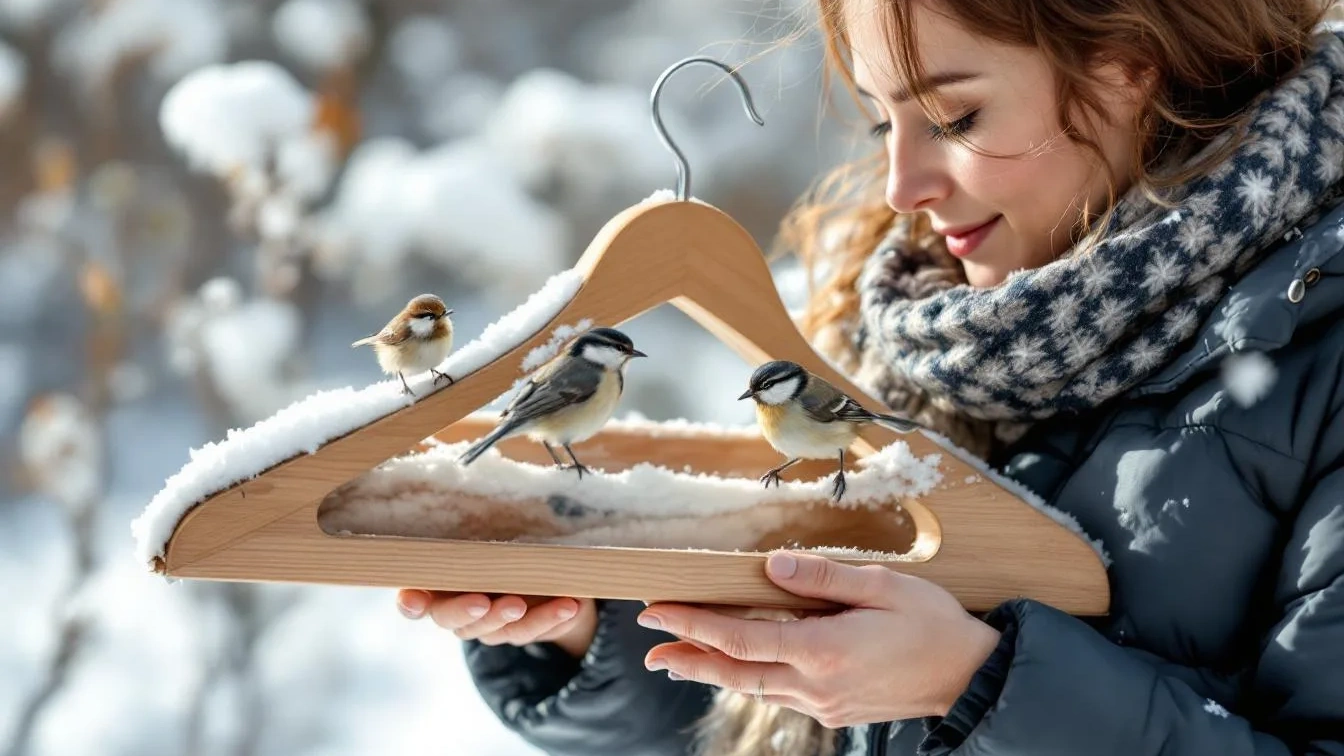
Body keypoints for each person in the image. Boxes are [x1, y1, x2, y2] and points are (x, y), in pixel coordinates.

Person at [394, 0, 1344, 753]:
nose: (901, 187)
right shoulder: (884, 332)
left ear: (1131, 67)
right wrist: (597, 631)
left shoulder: (1320, 355)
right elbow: (764, 739)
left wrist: (976, 688)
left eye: (954, 116)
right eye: (882, 120)